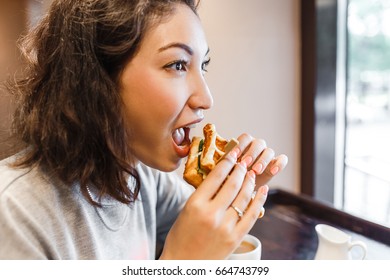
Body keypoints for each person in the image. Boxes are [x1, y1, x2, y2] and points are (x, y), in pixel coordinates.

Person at [0, 0, 288, 260]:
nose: (206, 99)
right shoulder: (15, 213)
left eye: (203, 66)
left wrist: (238, 188)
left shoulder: (140, 176)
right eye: (177, 64)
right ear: (97, 79)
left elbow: (206, 233)